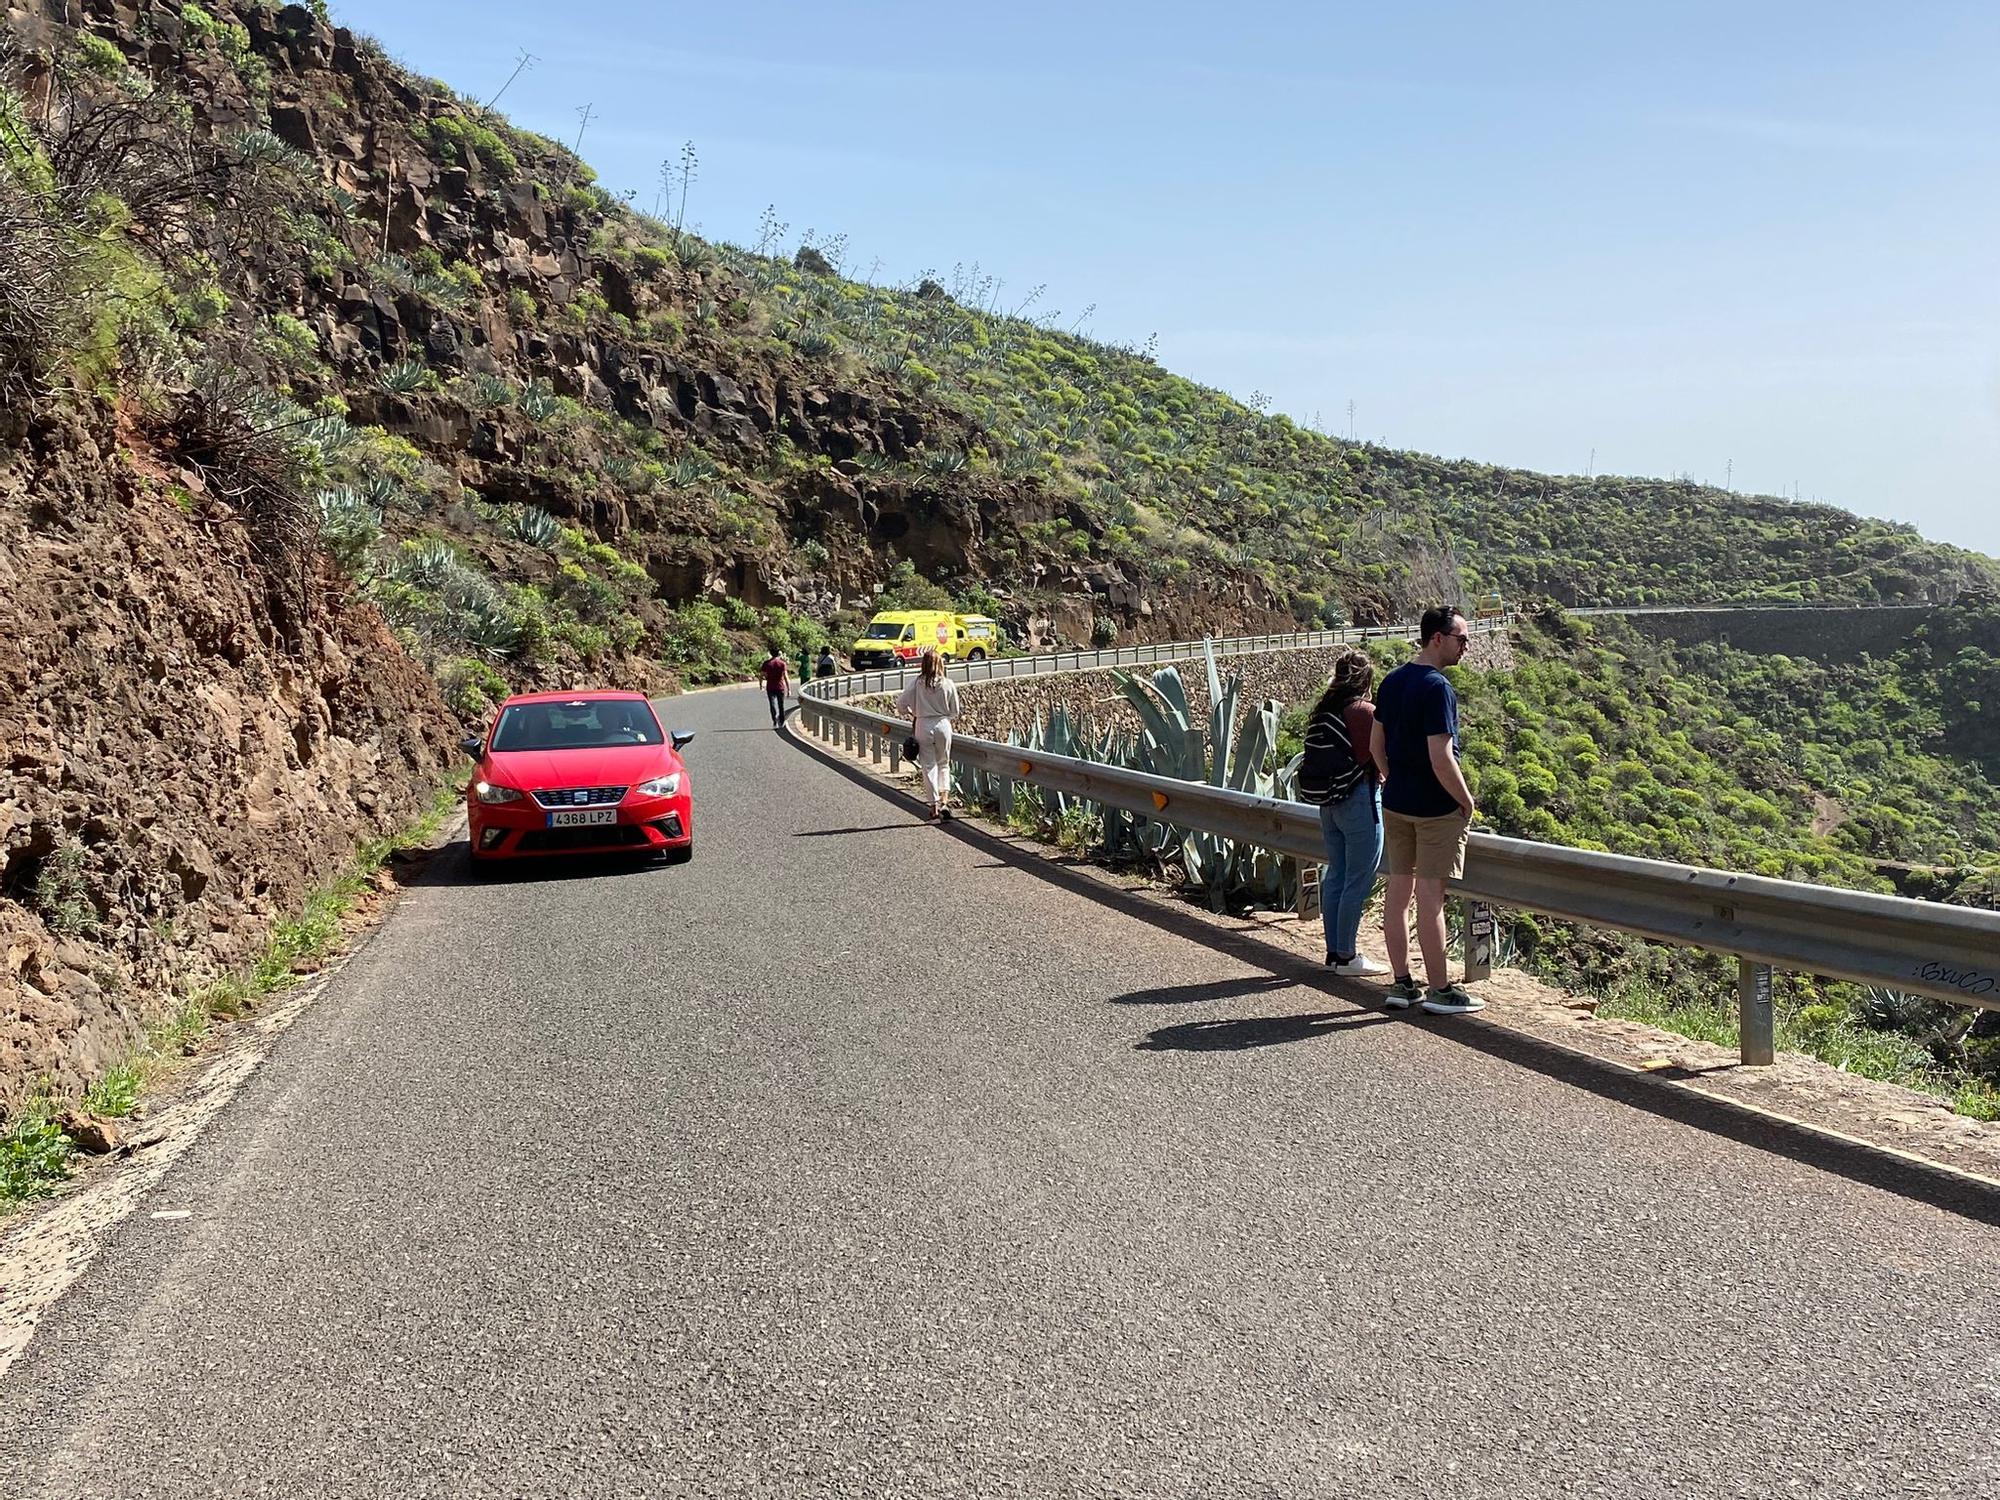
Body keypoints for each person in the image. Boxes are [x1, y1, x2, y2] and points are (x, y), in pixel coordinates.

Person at [1370, 605, 1483, 1015]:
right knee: (1431, 897)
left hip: (1397, 803)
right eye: (1461, 639)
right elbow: (1441, 756)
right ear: (1438, 638)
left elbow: (1375, 746)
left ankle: (1402, 984)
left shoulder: (1393, 681)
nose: (1466, 647)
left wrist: (1392, 778)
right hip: (1435, 809)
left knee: (1398, 894)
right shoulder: (1437, 688)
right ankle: (1440, 989)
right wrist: (1465, 800)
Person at [1302, 648, 1387, 977]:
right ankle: (1348, 956)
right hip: (1359, 800)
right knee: (1358, 878)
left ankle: (1335, 953)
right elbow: (1383, 754)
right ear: (1367, 679)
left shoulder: (1325, 711)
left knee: (1336, 874)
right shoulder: (1365, 712)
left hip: (1329, 803)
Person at [894, 647, 962, 821]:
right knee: (944, 764)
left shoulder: (917, 683)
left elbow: (901, 704)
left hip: (923, 724)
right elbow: (955, 711)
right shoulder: (948, 683)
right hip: (943, 724)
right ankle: (945, 801)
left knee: (928, 766)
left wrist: (913, 712)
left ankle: (933, 806)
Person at [759, 645, 791, 727]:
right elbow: (786, 677)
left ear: (771, 653)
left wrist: (761, 685)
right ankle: (782, 720)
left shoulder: (766, 663)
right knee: (781, 705)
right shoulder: (782, 663)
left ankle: (774, 719)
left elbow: (761, 675)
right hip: (780, 687)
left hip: (770, 687)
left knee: (772, 704)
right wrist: (789, 689)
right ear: (778, 654)